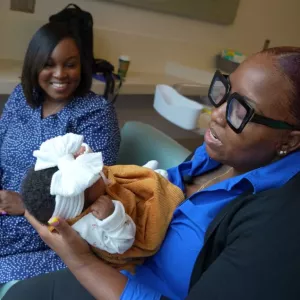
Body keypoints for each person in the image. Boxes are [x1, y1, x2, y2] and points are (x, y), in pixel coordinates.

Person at [3, 46, 300, 300]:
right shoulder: (220, 156)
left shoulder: (278, 225)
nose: (217, 113)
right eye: (224, 91)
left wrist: (80, 261)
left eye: (241, 110)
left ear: (289, 139)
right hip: (117, 269)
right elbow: (153, 190)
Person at [0, 22, 120, 283]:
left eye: (70, 64)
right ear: (34, 65)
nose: (60, 74)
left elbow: (91, 195)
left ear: (83, 65)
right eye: (48, 64)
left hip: (44, 230)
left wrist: (24, 205)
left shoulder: (96, 114)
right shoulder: (22, 96)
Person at [21, 133, 184, 271]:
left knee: (111, 174)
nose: (95, 174)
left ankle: (144, 176)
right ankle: (154, 188)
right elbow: (121, 244)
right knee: (138, 201)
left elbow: (90, 168)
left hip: (114, 194)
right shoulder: (88, 224)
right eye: (90, 180)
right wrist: (111, 218)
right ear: (82, 202)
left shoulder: (84, 188)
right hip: (128, 227)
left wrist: (79, 156)